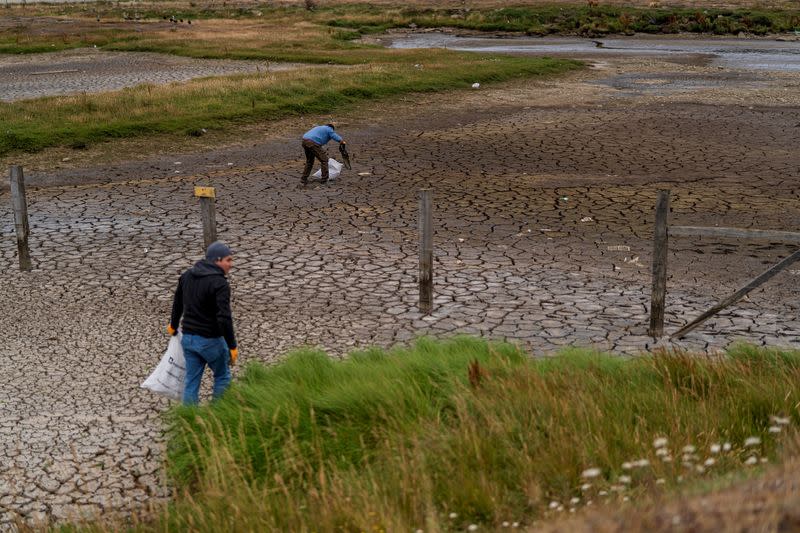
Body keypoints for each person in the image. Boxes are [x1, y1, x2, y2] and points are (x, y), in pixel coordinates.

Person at [167, 241, 238, 404]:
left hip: (189, 339)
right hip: (211, 341)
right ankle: (218, 415)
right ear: (217, 260)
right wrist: (232, 346)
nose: (231, 265)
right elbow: (224, 318)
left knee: (191, 381)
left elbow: (177, 302)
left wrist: (173, 325)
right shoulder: (220, 284)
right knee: (222, 376)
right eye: (228, 260)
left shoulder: (187, 276)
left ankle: (188, 418)